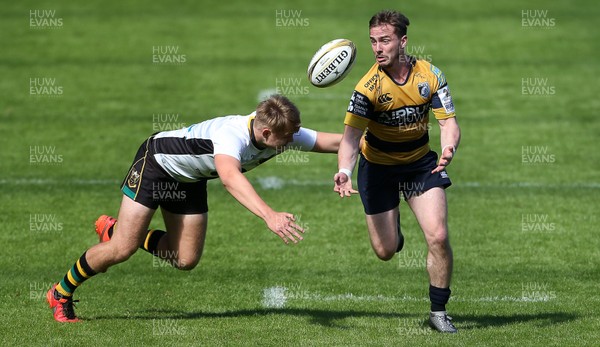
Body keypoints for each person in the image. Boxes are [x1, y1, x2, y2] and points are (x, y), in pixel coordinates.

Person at [47, 94, 341, 322]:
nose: (291, 141)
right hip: (156, 165)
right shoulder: (231, 136)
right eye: (286, 138)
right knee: (122, 248)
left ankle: (115, 229)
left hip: (189, 179)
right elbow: (229, 178)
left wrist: (378, 143)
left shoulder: (282, 130)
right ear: (265, 134)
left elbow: (335, 142)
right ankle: (60, 293)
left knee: (185, 259)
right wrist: (270, 215)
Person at [333, 10, 461, 333]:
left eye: (385, 40)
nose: (378, 48)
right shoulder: (367, 88)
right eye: (373, 41)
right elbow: (349, 139)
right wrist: (345, 171)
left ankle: (438, 311)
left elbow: (448, 123)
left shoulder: (430, 75)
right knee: (385, 250)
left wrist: (449, 148)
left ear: (402, 42)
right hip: (377, 169)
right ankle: (394, 225)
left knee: (439, 235)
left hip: (420, 165)